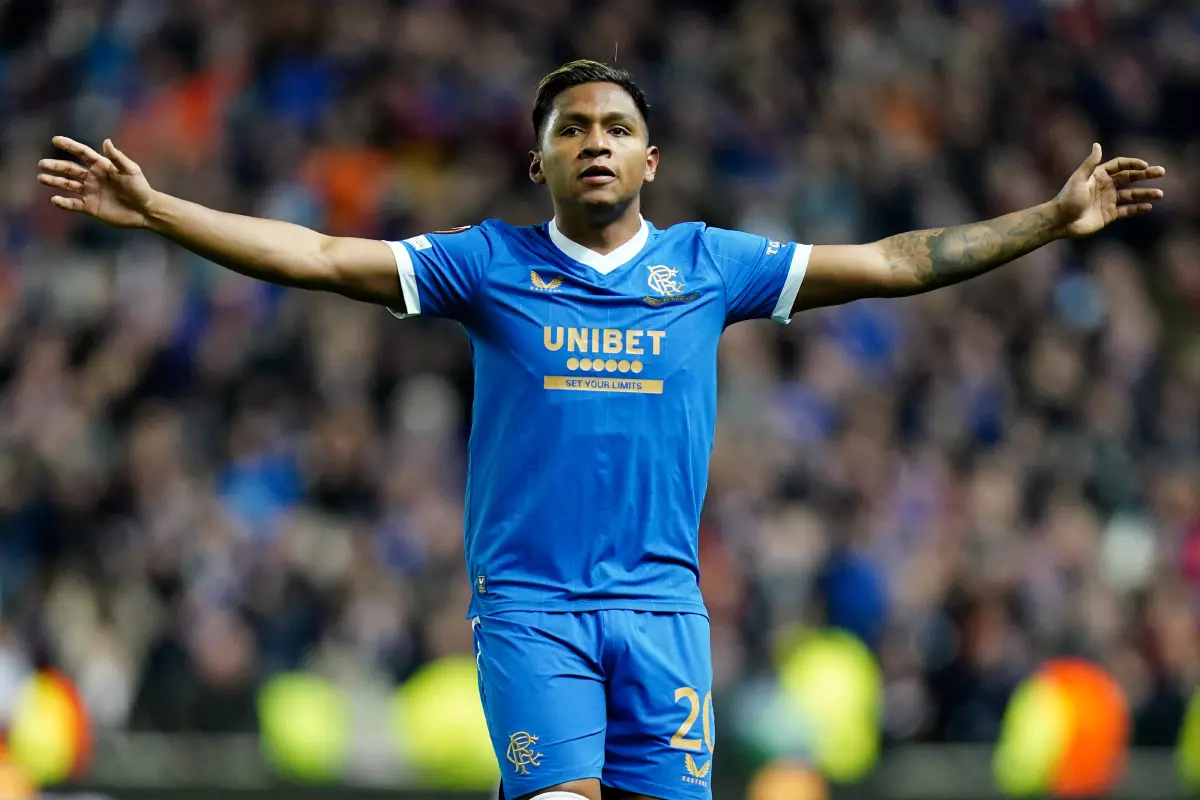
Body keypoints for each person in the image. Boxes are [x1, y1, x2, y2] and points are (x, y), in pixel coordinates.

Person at [36, 59, 1164, 800]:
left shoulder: (710, 266)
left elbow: (896, 261)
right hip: (533, 610)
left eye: (617, 127)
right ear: (541, 160)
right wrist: (159, 209)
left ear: (649, 159)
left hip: (664, 614)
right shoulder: (486, 264)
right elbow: (324, 255)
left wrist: (1051, 221)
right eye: (571, 127)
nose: (596, 141)